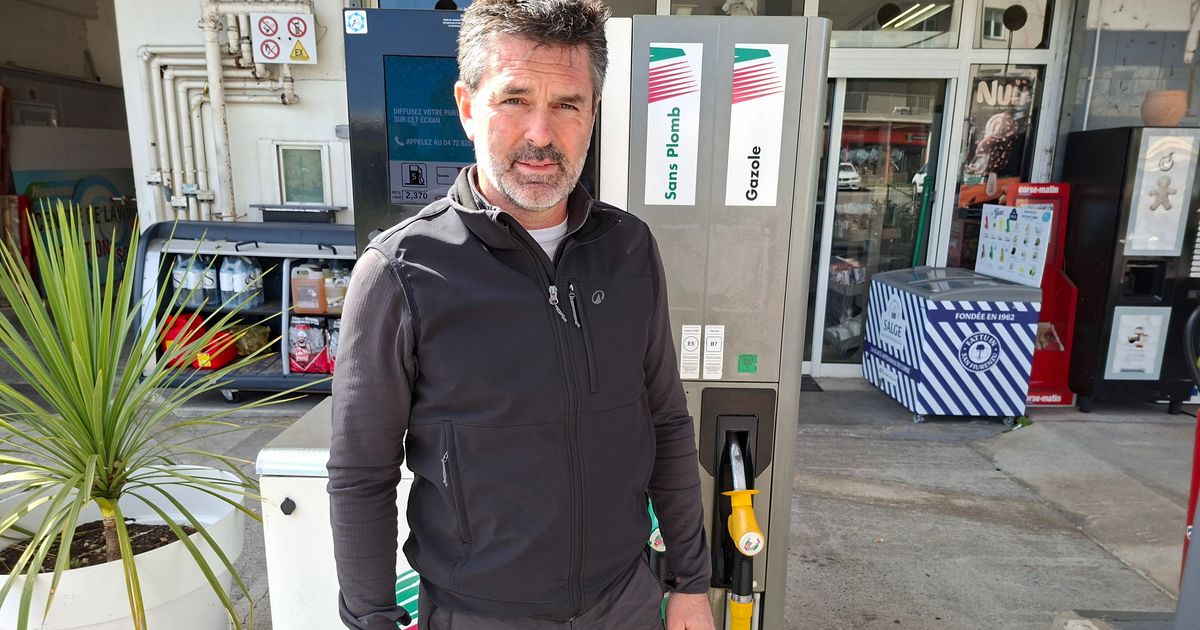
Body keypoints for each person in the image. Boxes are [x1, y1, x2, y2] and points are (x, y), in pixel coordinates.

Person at [327, 0, 714, 628]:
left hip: (627, 603)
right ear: (467, 107)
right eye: (514, 99)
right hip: (480, 615)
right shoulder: (401, 271)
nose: (541, 133)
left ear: (592, 115)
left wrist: (691, 582)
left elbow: (666, 420)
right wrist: (370, 619)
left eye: (567, 105)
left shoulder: (629, 249)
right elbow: (361, 473)